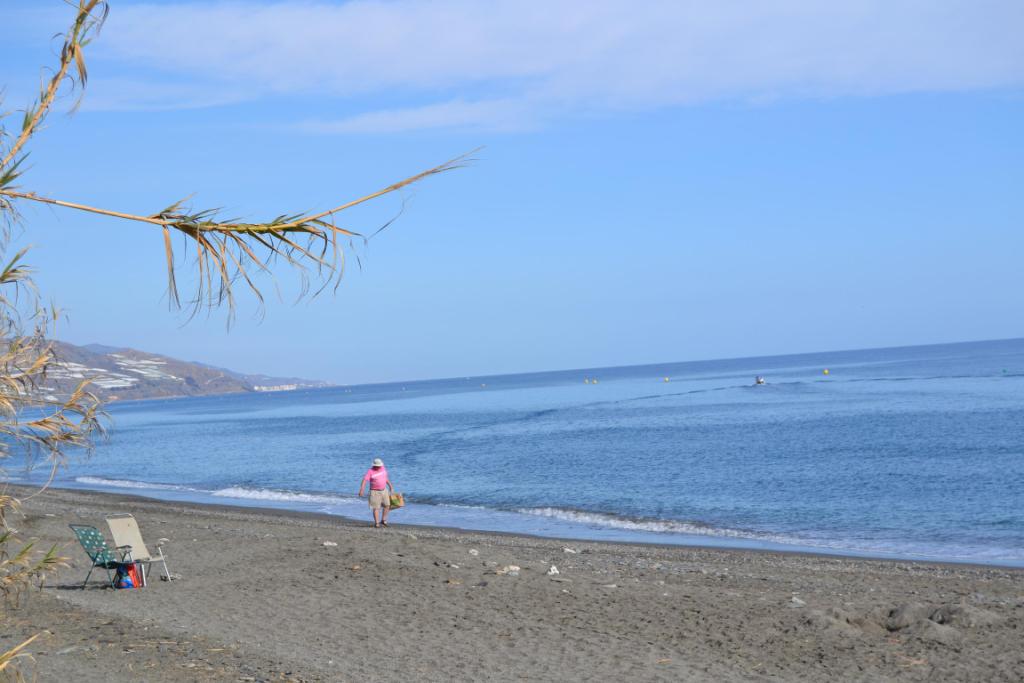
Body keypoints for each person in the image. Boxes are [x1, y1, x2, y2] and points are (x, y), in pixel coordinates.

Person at [358, 457, 394, 528]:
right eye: (377, 466)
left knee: (387, 505)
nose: (378, 467)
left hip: (384, 490)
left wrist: (391, 486)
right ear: (374, 465)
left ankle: (383, 520)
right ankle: (377, 523)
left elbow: (385, 478)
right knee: (376, 508)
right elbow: (364, 480)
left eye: (379, 466)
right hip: (374, 492)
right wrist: (361, 489)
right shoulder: (370, 471)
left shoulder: (383, 468)